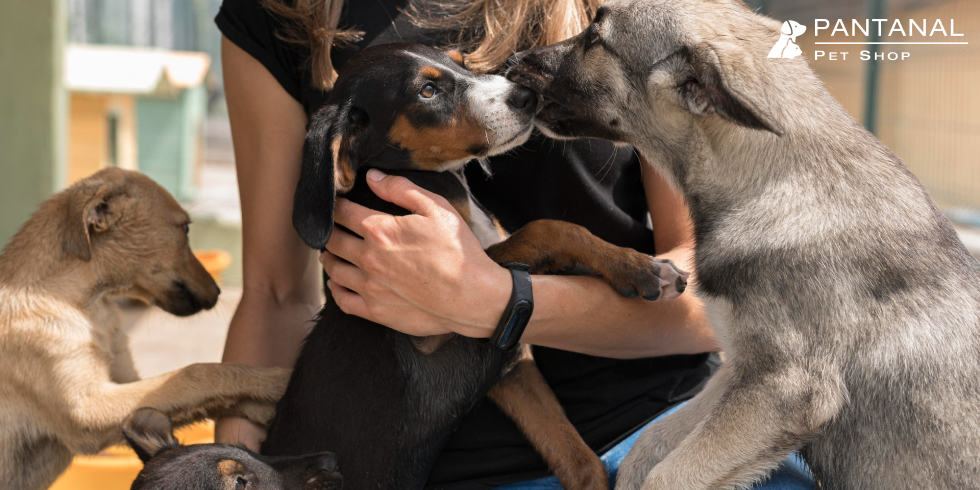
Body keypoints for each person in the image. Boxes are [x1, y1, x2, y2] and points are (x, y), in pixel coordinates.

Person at [213, 0, 814, 488]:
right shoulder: (280, 15)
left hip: (662, 439)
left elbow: (724, 292)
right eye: (432, 90)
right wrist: (234, 474)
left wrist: (499, 302)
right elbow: (273, 294)